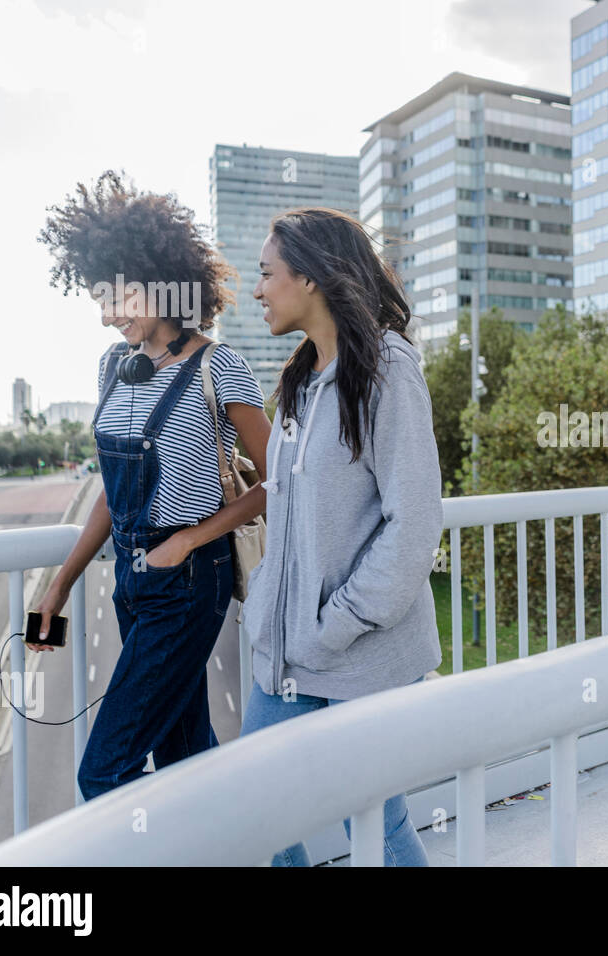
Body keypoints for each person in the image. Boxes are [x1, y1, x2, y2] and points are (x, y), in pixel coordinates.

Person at [31, 170, 271, 800]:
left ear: (164, 285)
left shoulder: (219, 366)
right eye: (99, 301)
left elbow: (280, 481)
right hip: (134, 582)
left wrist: (192, 541)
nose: (108, 316)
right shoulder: (114, 367)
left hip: (190, 579)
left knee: (104, 771)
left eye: (117, 298)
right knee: (185, 753)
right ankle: (267, 851)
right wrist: (59, 585)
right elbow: (115, 493)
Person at [238, 207, 443, 867]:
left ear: (313, 277)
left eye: (267, 274)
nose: (258, 290)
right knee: (261, 814)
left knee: (375, 827)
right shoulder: (298, 384)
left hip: (355, 653)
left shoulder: (388, 369)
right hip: (286, 655)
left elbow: (413, 523)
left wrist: (336, 621)